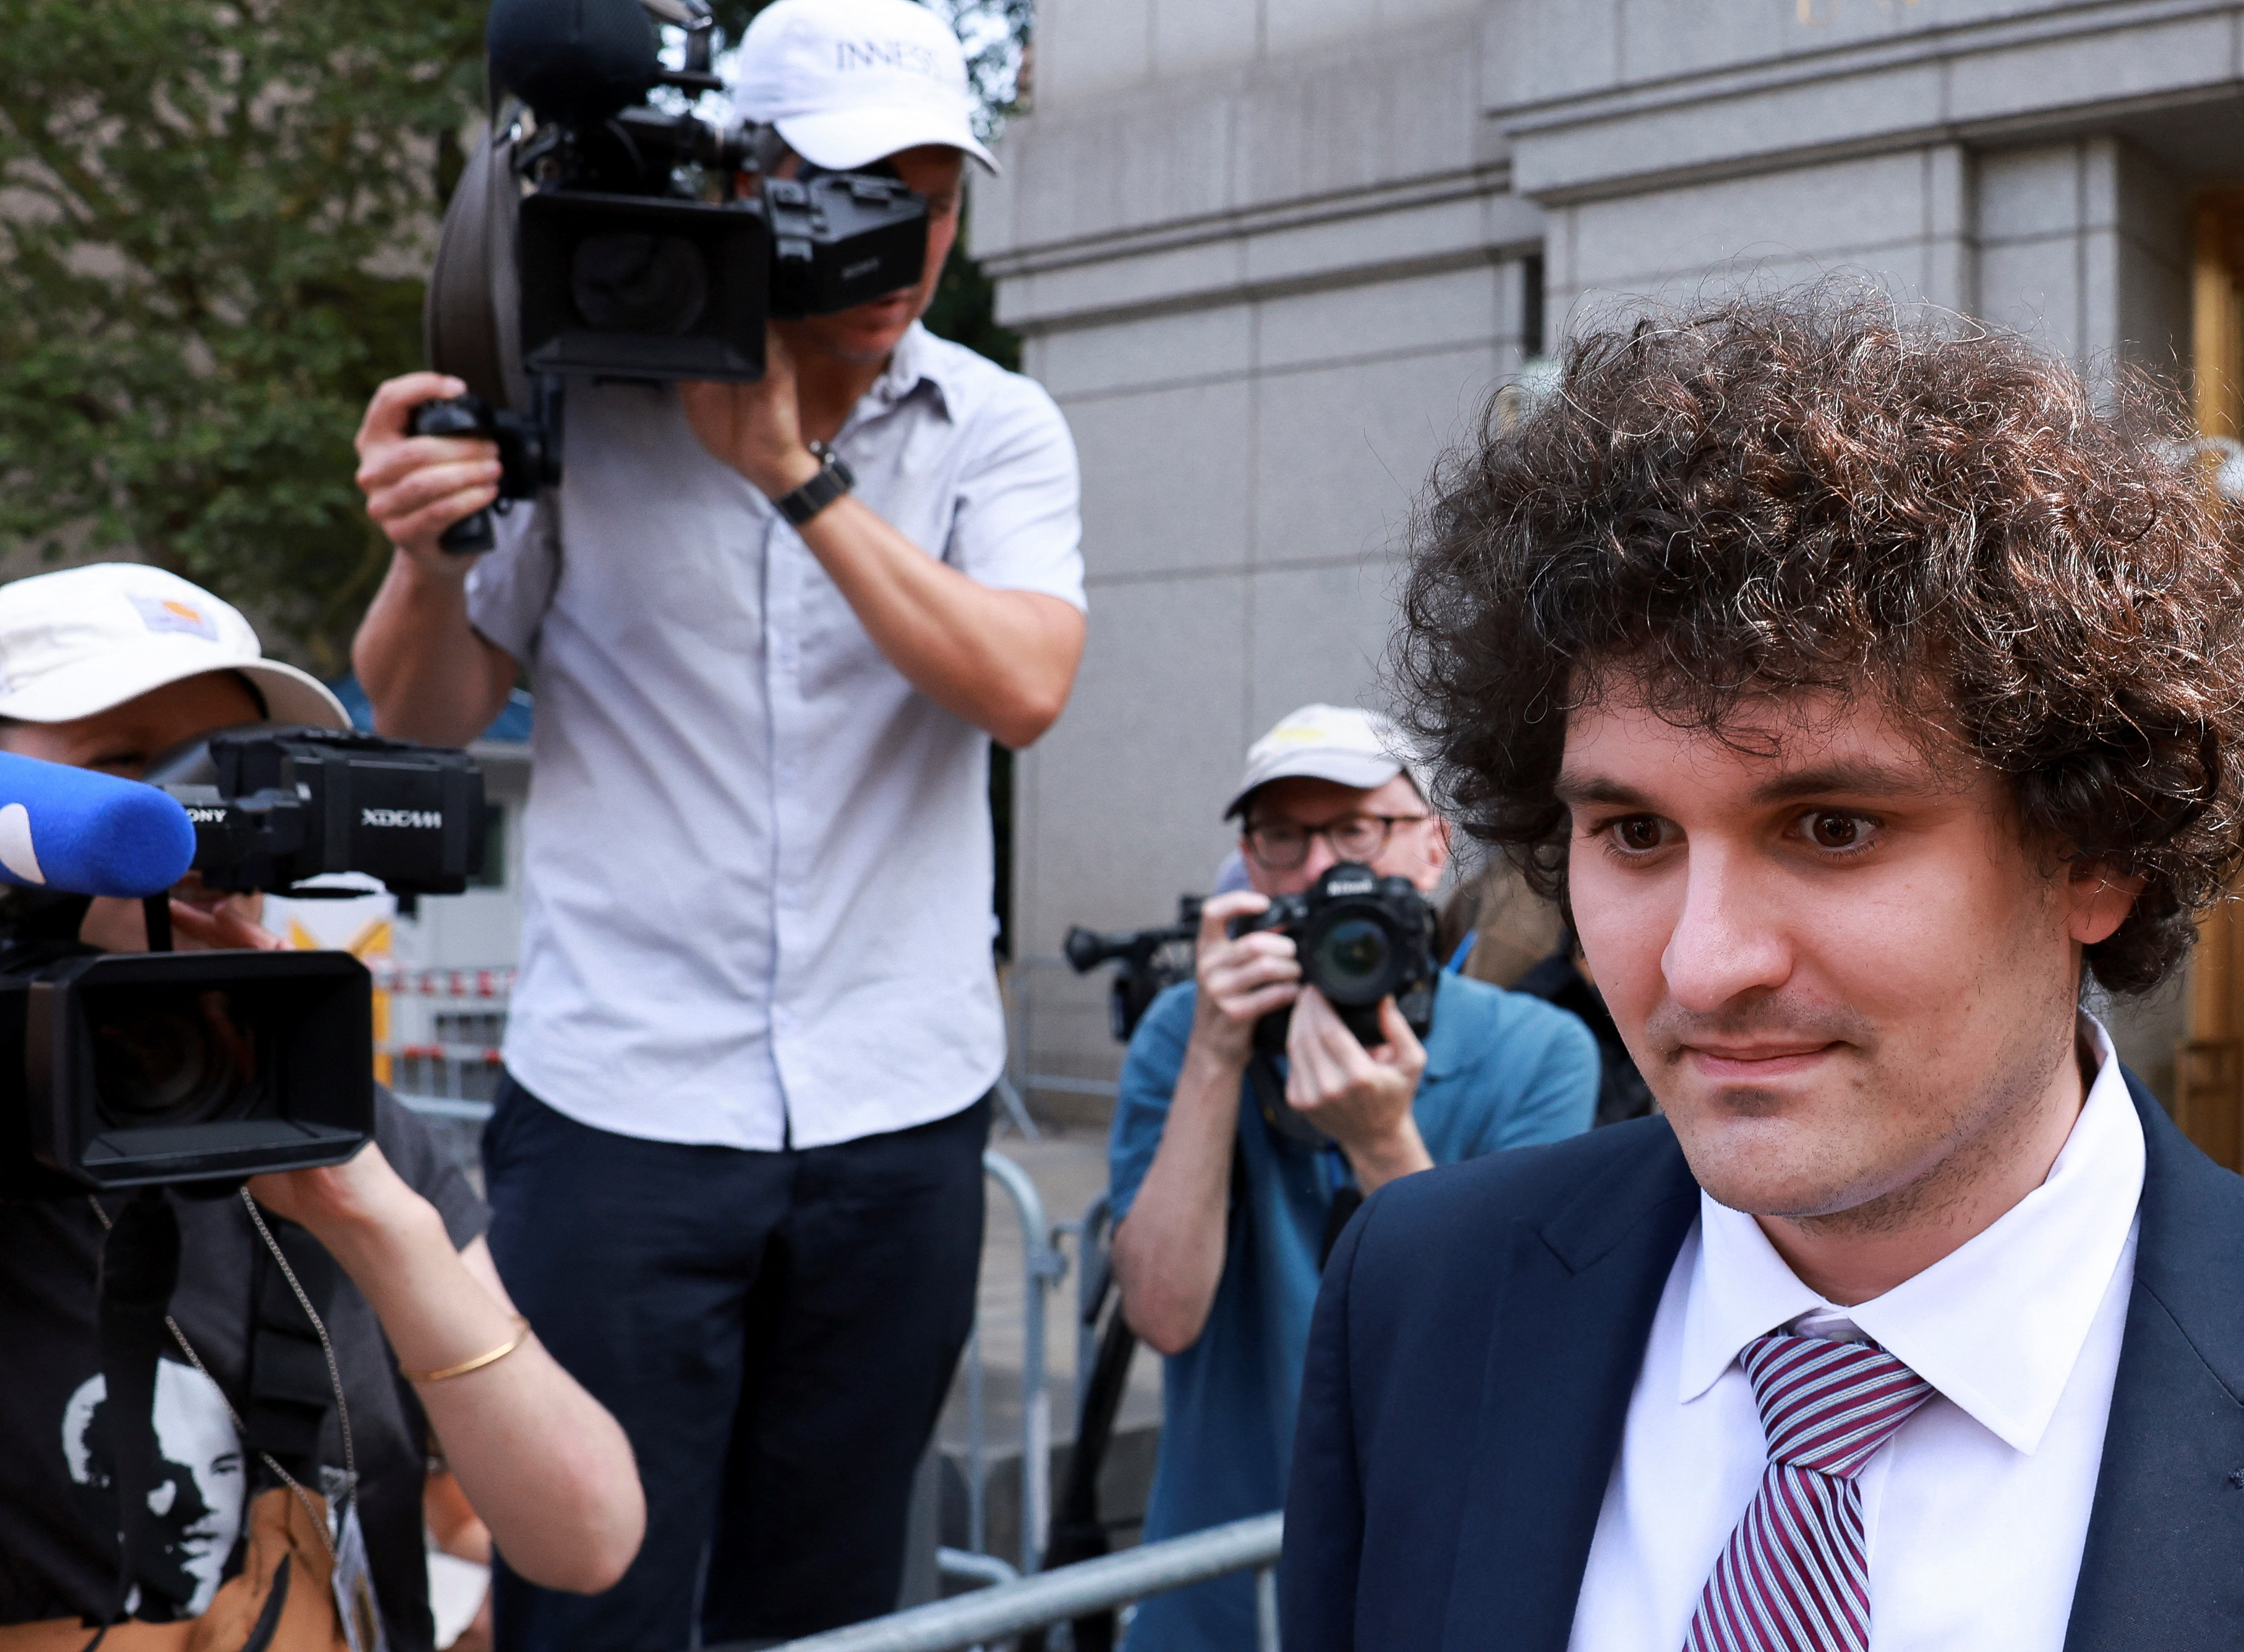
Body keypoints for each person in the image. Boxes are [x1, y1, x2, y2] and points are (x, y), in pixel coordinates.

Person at [1281, 292, 2244, 1650]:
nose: (1702, 959)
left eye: (1832, 828)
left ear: (2092, 853)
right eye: (1633, 832)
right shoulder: (1418, 1294)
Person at [347, 0, 1085, 1642]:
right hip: (621, 1107)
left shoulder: (995, 427)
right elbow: (425, 714)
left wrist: (792, 477)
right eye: (858, 192)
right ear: (747, 184)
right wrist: (423, 557)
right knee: (585, 1586)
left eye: (938, 194)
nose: (908, 243)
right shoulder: (585, 400)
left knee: (824, 1601)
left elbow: (1025, 684)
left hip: (899, 1110)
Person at [0, 564, 643, 1652]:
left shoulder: (340, 1119)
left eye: (237, 774)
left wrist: (377, 1226)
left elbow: (585, 1540)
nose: (202, 827)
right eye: (131, 768)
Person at [1109, 703, 1598, 1651]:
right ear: (1250, 866)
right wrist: (1215, 1056)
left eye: (1357, 830)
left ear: (1433, 849)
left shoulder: (1539, 1052)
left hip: (1421, 1588)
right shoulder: (1184, 1032)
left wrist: (1382, 1146)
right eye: (1285, 836)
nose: (1324, 868)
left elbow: (1503, 1352)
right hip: (1213, 1599)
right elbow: (1163, 1314)